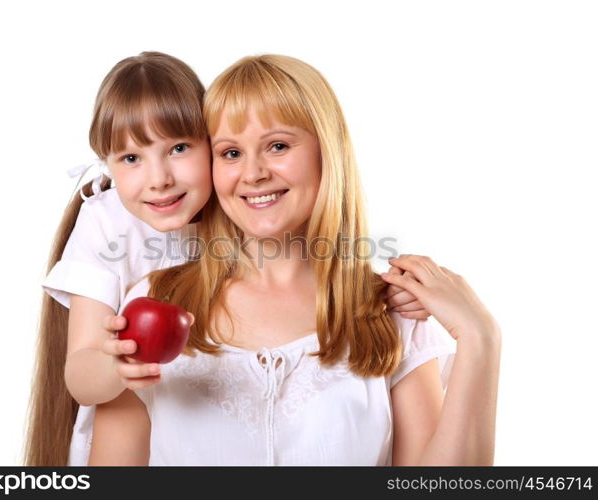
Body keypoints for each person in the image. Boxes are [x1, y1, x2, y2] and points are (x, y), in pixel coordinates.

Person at [87, 54, 501, 466]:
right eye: (230, 153)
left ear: (327, 153)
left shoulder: (392, 314)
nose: (253, 174)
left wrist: (480, 339)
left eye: (278, 146)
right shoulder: (157, 300)